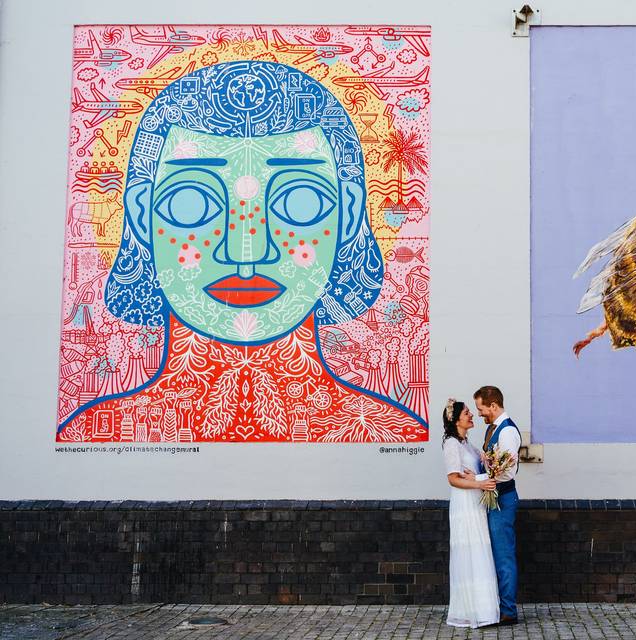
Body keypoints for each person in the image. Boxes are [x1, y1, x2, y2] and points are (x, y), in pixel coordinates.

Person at [56, 60, 427, 444]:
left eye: (302, 201)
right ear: (138, 213)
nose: (246, 250)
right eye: (191, 201)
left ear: (350, 213)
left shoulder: (393, 429)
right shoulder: (100, 428)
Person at [441, 398, 499, 628]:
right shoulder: (451, 444)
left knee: (479, 550)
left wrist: (486, 468)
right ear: (455, 419)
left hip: (475, 504)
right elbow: (453, 479)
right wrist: (480, 484)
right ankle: (467, 610)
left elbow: (482, 464)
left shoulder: (467, 443)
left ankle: (483, 608)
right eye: (467, 413)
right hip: (464, 504)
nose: (471, 415)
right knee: (470, 552)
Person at [474, 385, 521, 625]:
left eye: (481, 409)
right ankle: (498, 606)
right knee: (495, 554)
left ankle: (509, 612)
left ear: (493, 405)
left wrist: (485, 477)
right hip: (494, 496)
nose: (480, 413)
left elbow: (507, 470)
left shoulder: (507, 432)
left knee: (504, 555)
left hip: (503, 498)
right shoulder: (493, 429)